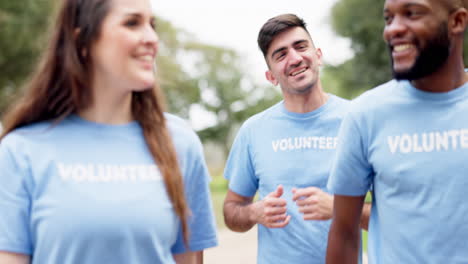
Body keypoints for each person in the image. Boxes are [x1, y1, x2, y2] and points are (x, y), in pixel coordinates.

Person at [0, 0, 218, 263]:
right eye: (132, 23)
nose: (151, 38)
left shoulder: (180, 144)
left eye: (152, 25)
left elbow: (189, 258)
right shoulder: (21, 150)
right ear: (83, 41)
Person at [326, 0, 468, 263]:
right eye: (389, 18)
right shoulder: (365, 115)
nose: (392, 30)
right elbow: (345, 232)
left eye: (412, 14)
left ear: (457, 22)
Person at [223, 14, 370, 264]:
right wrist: (253, 213)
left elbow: (392, 214)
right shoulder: (254, 130)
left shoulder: (358, 121)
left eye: (301, 46)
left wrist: (339, 209)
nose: (294, 58)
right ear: (271, 76)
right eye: (280, 54)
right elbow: (231, 212)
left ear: (318, 55)